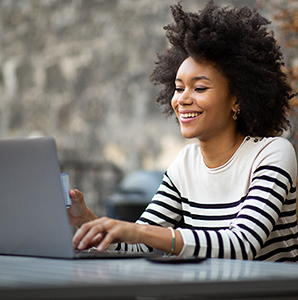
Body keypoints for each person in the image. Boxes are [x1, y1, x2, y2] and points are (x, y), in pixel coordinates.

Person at [69, 0, 298, 262]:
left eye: (199, 88)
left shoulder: (272, 153)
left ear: (238, 99)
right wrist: (85, 219)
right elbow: (138, 247)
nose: (182, 100)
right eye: (178, 88)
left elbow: (241, 244)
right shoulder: (185, 164)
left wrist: (140, 231)